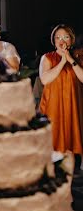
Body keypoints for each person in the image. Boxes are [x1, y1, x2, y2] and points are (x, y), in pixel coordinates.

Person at [39, 24, 83, 171]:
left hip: (72, 107)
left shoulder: (78, 56)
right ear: (54, 40)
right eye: (57, 37)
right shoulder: (47, 58)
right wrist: (62, 62)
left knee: (70, 147)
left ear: (71, 40)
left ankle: (67, 183)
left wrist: (70, 60)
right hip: (53, 108)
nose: (61, 40)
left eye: (65, 37)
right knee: (53, 146)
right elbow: (45, 80)